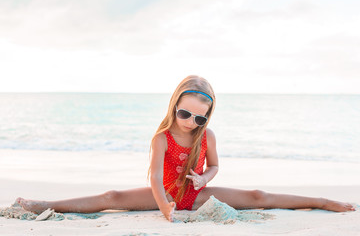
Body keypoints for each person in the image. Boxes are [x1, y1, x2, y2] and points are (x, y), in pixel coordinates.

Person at [16, 75, 355, 222]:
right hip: (162, 192)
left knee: (256, 194)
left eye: (199, 118)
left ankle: (321, 201)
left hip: (195, 195)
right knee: (112, 198)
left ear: (207, 117)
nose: (190, 121)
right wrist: (164, 206)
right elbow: (152, 176)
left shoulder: (208, 137)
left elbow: (215, 167)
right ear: (174, 106)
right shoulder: (162, 137)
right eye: (184, 113)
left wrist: (204, 178)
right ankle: (45, 203)